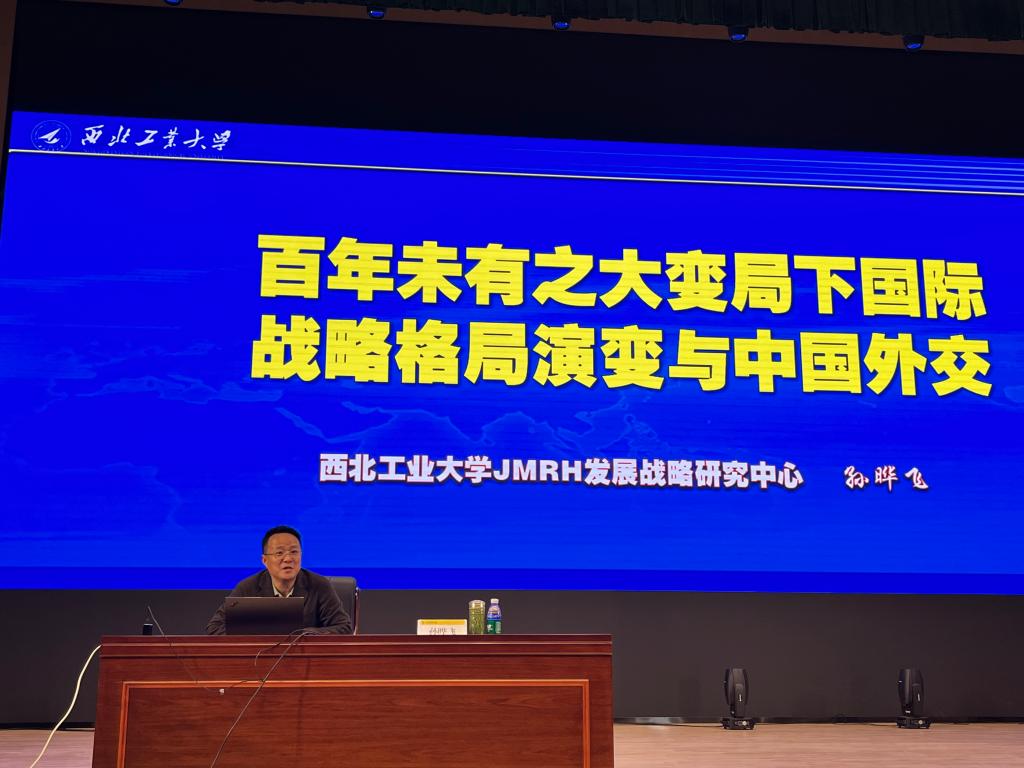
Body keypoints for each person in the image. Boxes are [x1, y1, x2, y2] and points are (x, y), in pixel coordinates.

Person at [206, 525, 353, 635]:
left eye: (294, 552)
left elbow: (344, 627)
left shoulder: (319, 585)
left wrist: (305, 635)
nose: (288, 559)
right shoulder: (248, 587)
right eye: (279, 553)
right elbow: (215, 627)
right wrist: (254, 638)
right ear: (265, 560)